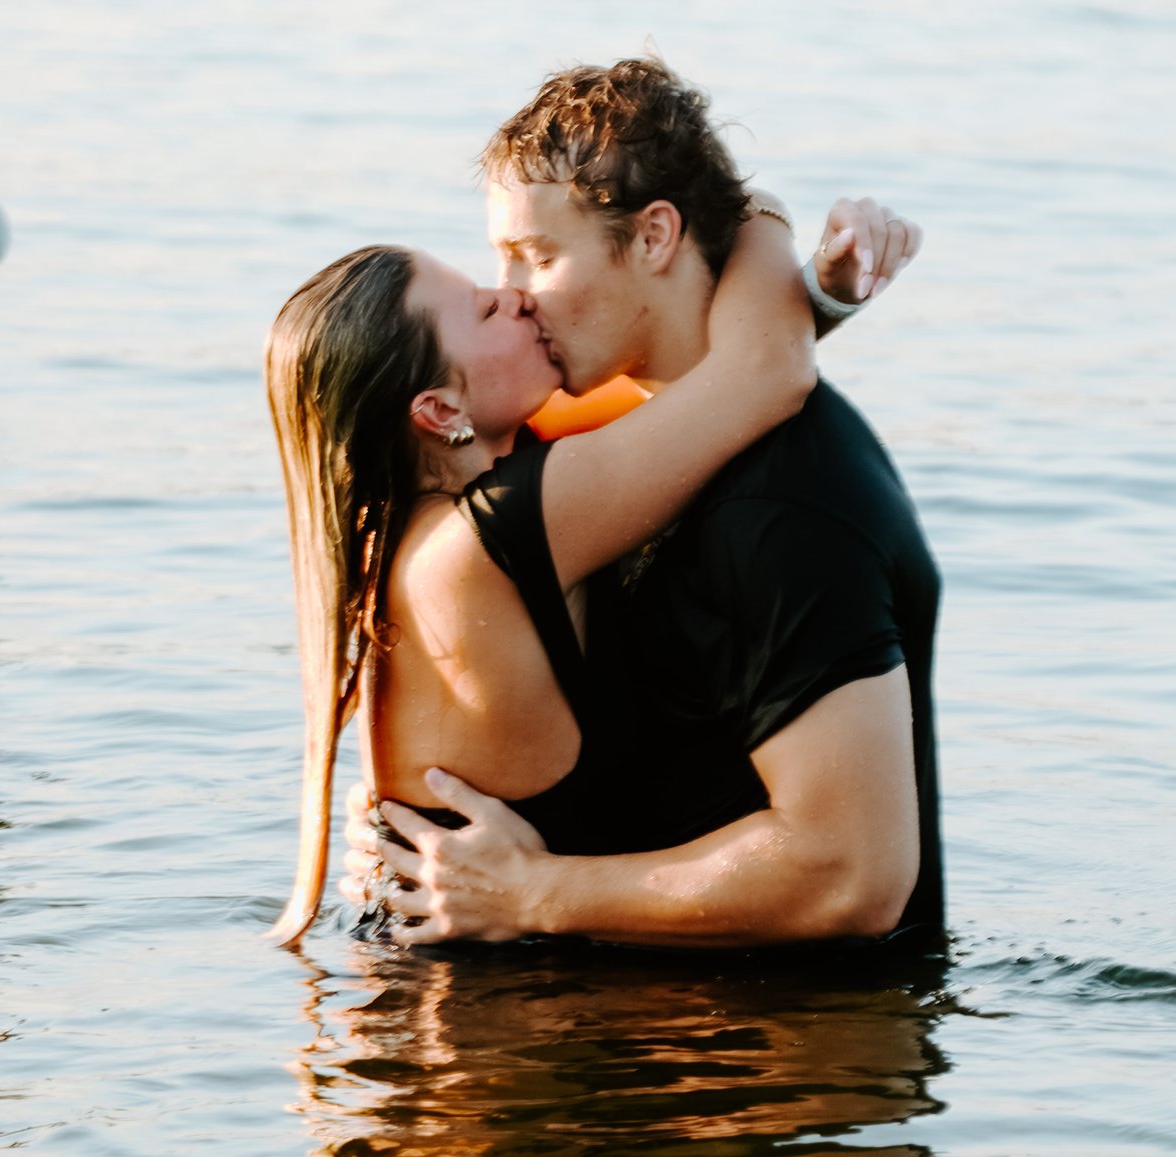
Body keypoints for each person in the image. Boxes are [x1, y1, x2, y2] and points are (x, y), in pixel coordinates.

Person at [342, 59, 944, 958]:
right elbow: (747, 358)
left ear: (657, 234)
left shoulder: (782, 502)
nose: (513, 293)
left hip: (765, 1067)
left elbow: (848, 876)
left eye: (539, 257)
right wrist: (795, 272)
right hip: (632, 1050)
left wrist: (541, 892)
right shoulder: (584, 443)